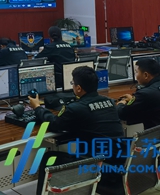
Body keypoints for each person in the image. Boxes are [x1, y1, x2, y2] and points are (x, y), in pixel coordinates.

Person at [29, 66, 124, 195]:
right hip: (116, 164)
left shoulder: (76, 108)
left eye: (73, 83)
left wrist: (37, 107)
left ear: (78, 88)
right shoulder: (110, 102)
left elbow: (54, 124)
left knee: (49, 157)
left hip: (95, 167)